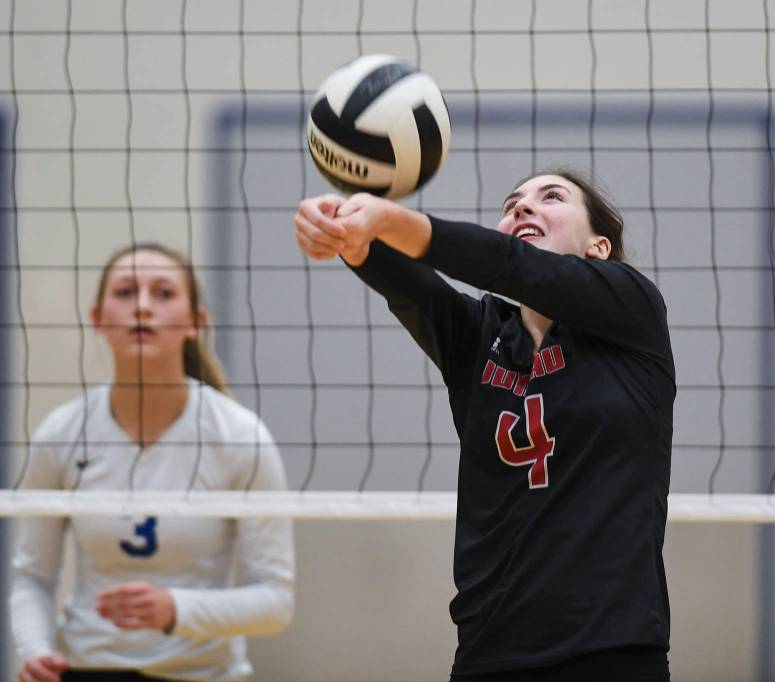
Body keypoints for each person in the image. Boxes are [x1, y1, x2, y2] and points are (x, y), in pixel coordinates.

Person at [294, 169, 675, 681]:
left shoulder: (633, 312)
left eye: (552, 197)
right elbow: (411, 286)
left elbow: (510, 267)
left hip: (611, 649)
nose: (523, 208)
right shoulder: (480, 340)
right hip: (489, 653)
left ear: (599, 247)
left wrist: (392, 218)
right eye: (511, 202)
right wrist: (344, 229)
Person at [10, 243, 295, 682]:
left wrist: (177, 610)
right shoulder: (62, 433)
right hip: (88, 668)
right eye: (125, 292)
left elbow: (276, 601)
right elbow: (32, 575)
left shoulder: (240, 437)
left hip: (200, 673)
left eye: (163, 293)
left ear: (196, 323)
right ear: (98, 319)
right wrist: (35, 650)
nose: (143, 307)